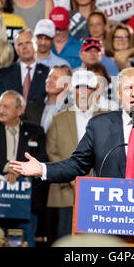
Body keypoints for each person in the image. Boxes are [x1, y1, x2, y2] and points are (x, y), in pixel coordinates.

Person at [0, 90, 48, 247]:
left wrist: (18, 171)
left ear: (19, 110)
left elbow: (41, 159)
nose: (1, 110)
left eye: (6, 107)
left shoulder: (36, 132)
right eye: (0, 106)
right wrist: (8, 168)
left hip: (26, 201)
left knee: (26, 241)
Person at [46, 69, 106, 240]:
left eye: (88, 87)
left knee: (96, 240)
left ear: (95, 91)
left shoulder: (107, 118)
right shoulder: (59, 119)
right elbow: (52, 150)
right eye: (79, 87)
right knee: (64, 238)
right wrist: (70, 176)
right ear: (73, 90)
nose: (83, 91)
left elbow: (111, 151)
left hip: (98, 190)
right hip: (65, 190)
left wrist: (92, 178)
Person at [0, 28, 50, 118]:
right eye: (20, 44)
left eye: (28, 42)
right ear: (16, 49)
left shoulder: (48, 74)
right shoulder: (3, 75)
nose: (24, 47)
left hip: (39, 128)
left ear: (36, 44)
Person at [39, 64, 71, 132]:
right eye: (49, 77)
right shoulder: (33, 106)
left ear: (66, 86)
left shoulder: (72, 109)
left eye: (56, 78)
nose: (49, 81)